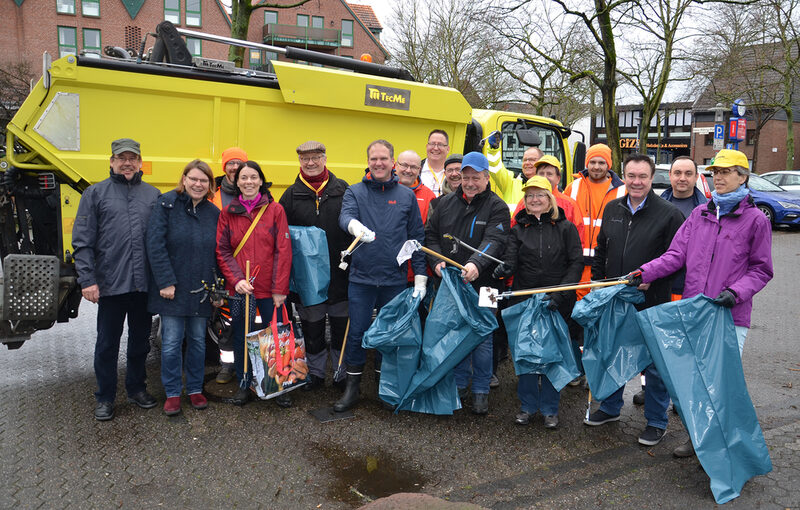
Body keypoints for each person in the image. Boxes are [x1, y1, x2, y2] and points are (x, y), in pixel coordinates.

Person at [633, 149, 773, 457]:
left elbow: (762, 269)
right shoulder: (700, 215)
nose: (718, 177)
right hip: (695, 313)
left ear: (743, 176)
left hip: (729, 316)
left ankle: (724, 447)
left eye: (725, 172)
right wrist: (644, 271)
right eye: (715, 172)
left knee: (720, 385)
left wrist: (736, 293)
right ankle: (699, 440)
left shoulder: (755, 220)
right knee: (695, 383)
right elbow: (675, 256)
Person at [583, 154, 684, 447]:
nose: (636, 182)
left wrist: (654, 281)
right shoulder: (613, 208)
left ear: (652, 178)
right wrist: (598, 282)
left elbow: (676, 260)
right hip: (615, 298)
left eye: (642, 176)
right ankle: (612, 408)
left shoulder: (669, 214)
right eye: (631, 176)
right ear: (623, 177)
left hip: (651, 299)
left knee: (653, 364)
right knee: (613, 352)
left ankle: (655, 421)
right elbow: (602, 248)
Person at [335, 140, 427, 412]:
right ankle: (352, 389)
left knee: (389, 336)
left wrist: (420, 277)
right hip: (362, 279)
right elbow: (345, 216)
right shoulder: (355, 191)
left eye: (383, 159)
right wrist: (354, 226)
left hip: (393, 280)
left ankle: (385, 389)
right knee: (357, 333)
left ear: (392, 162)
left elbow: (416, 239)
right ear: (368, 161)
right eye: (373, 158)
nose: (378, 163)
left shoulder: (406, 196)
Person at [72, 138, 161, 421]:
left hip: (142, 285)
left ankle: (136, 389)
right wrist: (88, 280)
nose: (127, 162)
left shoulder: (153, 194)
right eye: (121, 157)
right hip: (110, 285)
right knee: (107, 344)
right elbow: (83, 241)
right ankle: (105, 397)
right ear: (111, 161)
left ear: (139, 162)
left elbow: (160, 241)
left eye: (132, 158)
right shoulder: (95, 193)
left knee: (139, 342)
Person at [493, 176, 582, 428]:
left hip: (557, 301)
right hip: (525, 300)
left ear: (549, 198)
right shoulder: (518, 229)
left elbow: (575, 263)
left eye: (539, 195)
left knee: (553, 357)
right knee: (527, 356)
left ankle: (550, 409)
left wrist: (561, 294)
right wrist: (501, 269)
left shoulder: (566, 228)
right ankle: (528, 406)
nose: (534, 200)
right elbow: (511, 261)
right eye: (529, 196)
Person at [425, 152, 510, 414]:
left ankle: (481, 390)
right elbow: (430, 236)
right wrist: (435, 262)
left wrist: (476, 263)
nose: (470, 182)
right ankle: (460, 384)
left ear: (487, 178)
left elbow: (495, 240)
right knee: (457, 333)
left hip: (488, 284)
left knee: (484, 335)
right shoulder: (444, 204)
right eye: (466, 177)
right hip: (452, 282)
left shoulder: (498, 207)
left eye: (476, 177)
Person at [632, 156, 709, 406]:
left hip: (689, 289)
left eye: (688, 173)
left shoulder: (705, 210)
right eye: (677, 173)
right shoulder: (657, 204)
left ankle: (680, 395)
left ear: (696, 177)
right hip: (659, 287)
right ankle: (649, 388)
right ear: (670, 176)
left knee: (684, 348)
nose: (682, 178)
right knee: (655, 345)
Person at [146, 160, 220, 416]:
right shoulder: (166, 204)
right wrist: (165, 281)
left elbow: (218, 253)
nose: (198, 184)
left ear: (210, 185)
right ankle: (173, 393)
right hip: (172, 289)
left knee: (198, 342)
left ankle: (196, 389)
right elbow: (155, 245)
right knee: (171, 342)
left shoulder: (213, 213)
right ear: (184, 179)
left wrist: (216, 290)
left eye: (204, 181)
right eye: (194, 179)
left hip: (201, 289)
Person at [216, 161, 292, 406]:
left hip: (270, 289)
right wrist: (236, 280)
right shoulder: (228, 212)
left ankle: (279, 384)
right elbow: (223, 250)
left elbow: (283, 249)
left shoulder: (275, 210)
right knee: (241, 336)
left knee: (276, 336)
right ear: (236, 182)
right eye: (243, 178)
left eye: (253, 177)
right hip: (240, 289)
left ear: (261, 181)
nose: (248, 182)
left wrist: (280, 289)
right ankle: (244, 382)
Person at [279, 141, 351, 391]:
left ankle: (341, 373)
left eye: (315, 157)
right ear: (299, 161)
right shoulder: (290, 194)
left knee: (342, 328)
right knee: (313, 329)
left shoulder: (343, 189)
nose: (310, 163)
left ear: (325, 158)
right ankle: (317, 374)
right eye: (304, 159)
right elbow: (281, 236)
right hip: (307, 278)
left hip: (341, 274)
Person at [564, 144, 626, 299]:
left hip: (605, 265)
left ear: (609, 165)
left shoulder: (623, 190)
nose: (596, 167)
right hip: (575, 263)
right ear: (587, 163)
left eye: (601, 162)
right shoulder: (573, 187)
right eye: (592, 162)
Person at [211, 147, 247, 384]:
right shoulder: (211, 195)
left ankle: (251, 367)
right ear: (224, 167)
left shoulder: (255, 193)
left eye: (238, 163)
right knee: (227, 322)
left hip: (249, 269)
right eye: (230, 163)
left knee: (252, 322)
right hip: (222, 266)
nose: (234, 167)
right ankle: (227, 366)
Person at [396, 150, 436, 221]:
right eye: (404, 165)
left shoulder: (429, 196)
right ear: (396, 165)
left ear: (419, 170)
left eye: (413, 167)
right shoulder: (384, 189)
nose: (408, 170)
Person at [419, 130, 450, 196]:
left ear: (448, 149)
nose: (435, 148)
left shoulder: (454, 173)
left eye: (440, 144)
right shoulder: (416, 169)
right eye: (432, 144)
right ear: (427, 146)